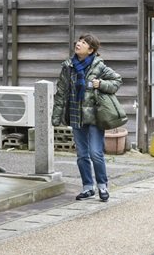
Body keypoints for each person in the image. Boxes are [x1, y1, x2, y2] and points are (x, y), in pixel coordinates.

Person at [51, 33, 122, 202]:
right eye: (79, 41)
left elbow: (117, 81)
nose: (79, 44)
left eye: (84, 43)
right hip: (76, 115)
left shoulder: (99, 67)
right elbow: (60, 93)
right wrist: (56, 117)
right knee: (82, 154)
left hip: (95, 118)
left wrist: (101, 84)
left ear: (91, 50)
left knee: (95, 153)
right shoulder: (68, 66)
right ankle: (87, 187)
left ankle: (102, 186)